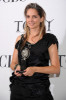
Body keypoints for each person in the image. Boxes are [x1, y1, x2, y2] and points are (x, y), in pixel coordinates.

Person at [10, 3, 60, 100]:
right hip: (18, 90)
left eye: (34, 17)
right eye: (28, 16)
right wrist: (17, 67)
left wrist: (34, 69)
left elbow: (56, 69)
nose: (30, 20)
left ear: (41, 18)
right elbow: (13, 63)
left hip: (39, 91)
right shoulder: (20, 39)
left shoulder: (49, 39)